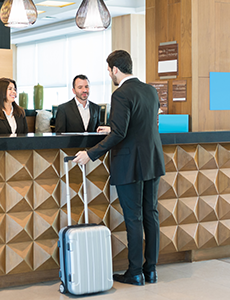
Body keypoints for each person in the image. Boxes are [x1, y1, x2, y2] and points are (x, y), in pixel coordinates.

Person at [73, 50, 165, 286]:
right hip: (152, 161)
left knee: (133, 219)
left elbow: (122, 133)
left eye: (109, 70)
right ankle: (150, 270)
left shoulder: (121, 94)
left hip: (130, 164)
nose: (110, 74)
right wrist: (112, 130)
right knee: (151, 216)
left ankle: (135, 273)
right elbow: (141, 125)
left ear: (115, 69)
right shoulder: (150, 90)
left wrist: (90, 154)